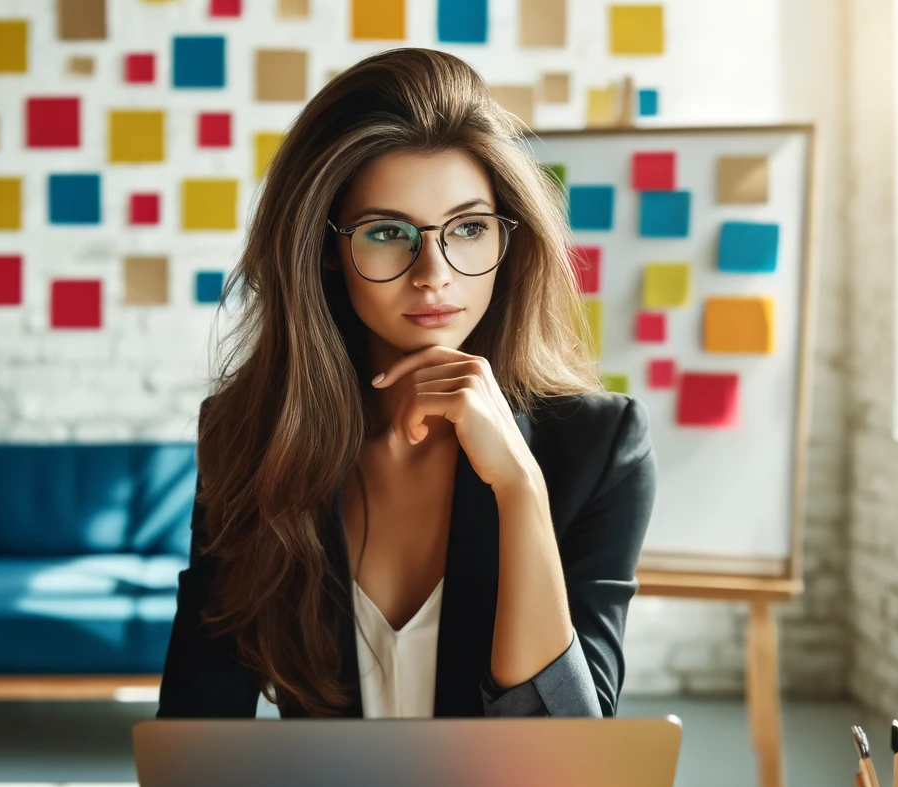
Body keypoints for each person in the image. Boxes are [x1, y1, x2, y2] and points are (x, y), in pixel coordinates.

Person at [157, 46, 657, 721]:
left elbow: (573, 747)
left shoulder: (600, 446)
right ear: (326, 251)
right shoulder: (250, 437)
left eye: (469, 228)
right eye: (387, 231)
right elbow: (195, 732)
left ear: (510, 242)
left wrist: (519, 490)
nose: (434, 273)